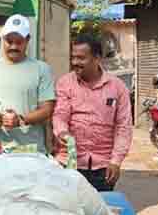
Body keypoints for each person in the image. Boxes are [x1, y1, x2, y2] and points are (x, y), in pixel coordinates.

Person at [53, 34, 133, 192]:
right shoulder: (65, 83)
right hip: (69, 163)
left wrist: (116, 161)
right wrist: (62, 133)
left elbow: (123, 126)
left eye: (81, 58)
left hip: (103, 167)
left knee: (101, 211)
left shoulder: (117, 88)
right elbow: (60, 114)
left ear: (97, 58)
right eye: (73, 57)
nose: (75, 62)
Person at [0, 14, 56, 155]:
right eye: (9, 41)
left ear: (27, 40)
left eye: (19, 42)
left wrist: (21, 119)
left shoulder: (42, 69)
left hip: (30, 151)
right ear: (2, 39)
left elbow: (47, 110)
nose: (13, 46)